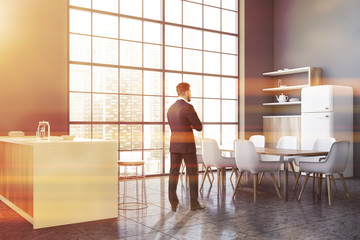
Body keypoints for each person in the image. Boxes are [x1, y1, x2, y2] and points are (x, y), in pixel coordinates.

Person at [167, 82, 205, 211]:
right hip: (187, 146)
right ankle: (194, 204)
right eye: (190, 91)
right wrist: (190, 125)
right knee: (192, 173)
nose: (191, 94)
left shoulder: (170, 108)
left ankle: (173, 203)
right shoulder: (188, 107)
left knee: (173, 173)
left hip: (174, 145)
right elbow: (199, 127)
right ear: (186, 91)